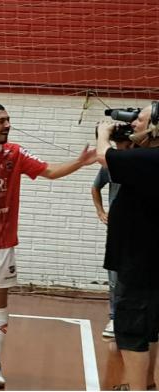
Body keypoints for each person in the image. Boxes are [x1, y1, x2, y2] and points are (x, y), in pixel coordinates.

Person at [0, 102, 96, 388]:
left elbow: (48, 171)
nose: (8, 125)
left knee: (0, 299)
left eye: (8, 119)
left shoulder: (15, 152)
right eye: (1, 121)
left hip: (2, 242)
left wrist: (79, 162)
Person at [96, 102, 159, 391]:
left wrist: (103, 133)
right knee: (150, 327)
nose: (133, 123)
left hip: (139, 261)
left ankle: (138, 389)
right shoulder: (146, 159)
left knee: (131, 331)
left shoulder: (150, 158)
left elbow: (103, 156)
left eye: (140, 120)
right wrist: (125, 145)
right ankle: (145, 384)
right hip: (149, 260)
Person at [91, 138, 131, 339]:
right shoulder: (110, 164)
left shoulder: (142, 160)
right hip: (117, 226)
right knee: (114, 275)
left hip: (142, 225)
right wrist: (101, 211)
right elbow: (95, 187)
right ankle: (114, 317)